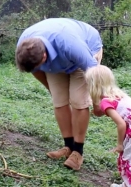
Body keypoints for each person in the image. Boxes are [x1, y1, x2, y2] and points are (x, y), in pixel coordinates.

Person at [15, 18, 103, 170]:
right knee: (59, 101)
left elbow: (94, 72)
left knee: (78, 101)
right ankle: (68, 147)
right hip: (56, 60)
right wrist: (52, 90)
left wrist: (97, 103)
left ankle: (78, 152)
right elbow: (35, 70)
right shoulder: (24, 47)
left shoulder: (70, 44)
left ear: (43, 57)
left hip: (86, 51)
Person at [85, 65, 131, 187]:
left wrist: (119, 144)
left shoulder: (105, 102)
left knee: (130, 156)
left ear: (93, 86)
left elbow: (121, 124)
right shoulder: (118, 94)